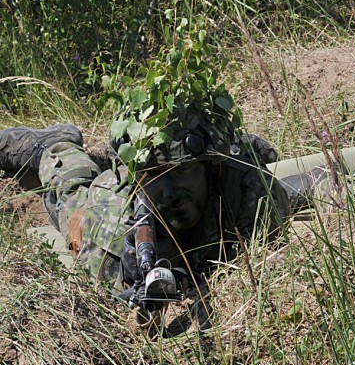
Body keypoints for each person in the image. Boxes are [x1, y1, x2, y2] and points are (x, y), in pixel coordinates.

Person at [0, 115, 290, 293]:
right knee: (71, 201)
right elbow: (97, 271)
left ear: (213, 166)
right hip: (106, 201)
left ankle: (237, 145)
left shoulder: (250, 190)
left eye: (183, 171)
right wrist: (125, 277)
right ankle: (55, 145)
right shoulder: (111, 213)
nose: (170, 192)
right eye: (155, 176)